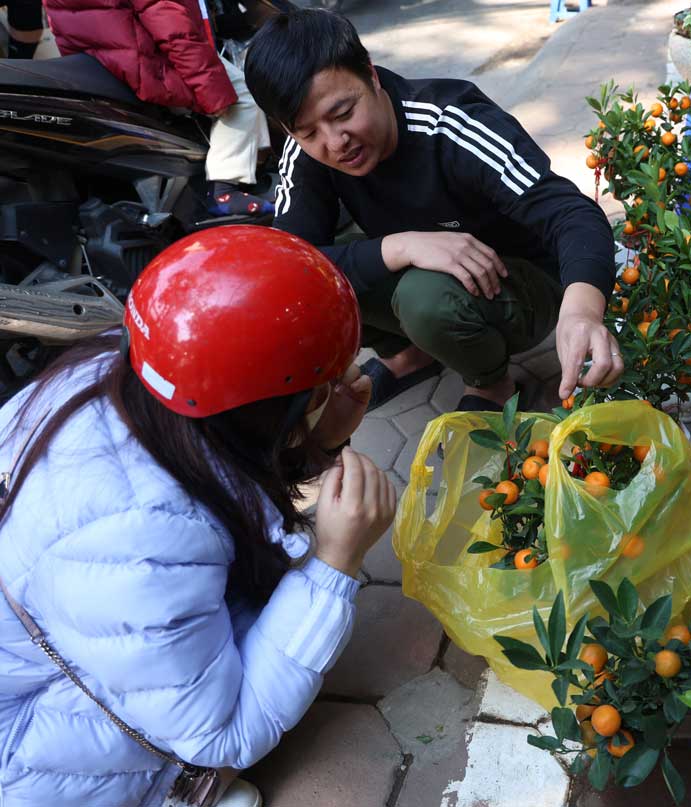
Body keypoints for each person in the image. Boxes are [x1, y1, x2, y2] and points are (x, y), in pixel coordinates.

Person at [0, 226, 394, 807]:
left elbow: (224, 478)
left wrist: (317, 441)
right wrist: (337, 562)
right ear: (278, 409)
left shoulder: (123, 365)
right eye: (323, 385)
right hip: (33, 760)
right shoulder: (142, 538)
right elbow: (224, 731)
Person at [243, 9, 623, 413]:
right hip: (429, 273)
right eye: (308, 132)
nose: (335, 142)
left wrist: (581, 312)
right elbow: (287, 266)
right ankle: (409, 354)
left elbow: (570, 212)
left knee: (423, 298)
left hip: (520, 282)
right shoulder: (308, 155)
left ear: (370, 74)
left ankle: (493, 384)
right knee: (315, 276)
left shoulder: (450, 121)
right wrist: (400, 247)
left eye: (343, 114)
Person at [42, 0, 275, 215]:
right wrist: (212, 93)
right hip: (144, 61)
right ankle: (225, 191)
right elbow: (172, 29)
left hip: (97, 62)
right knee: (243, 97)